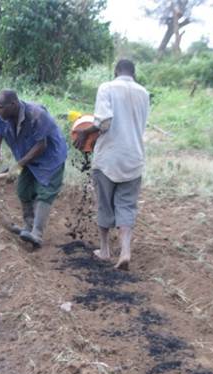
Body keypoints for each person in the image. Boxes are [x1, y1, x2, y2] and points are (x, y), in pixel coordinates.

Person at [73, 59, 149, 270]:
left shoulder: (107, 88)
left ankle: (105, 250)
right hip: (133, 157)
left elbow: (103, 123)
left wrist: (85, 132)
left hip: (109, 157)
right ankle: (125, 251)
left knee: (105, 203)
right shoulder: (144, 93)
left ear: (116, 71)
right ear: (133, 73)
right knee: (126, 205)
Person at [0, 89, 67, 248]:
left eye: (1, 107)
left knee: (45, 193)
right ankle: (28, 227)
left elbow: (41, 145)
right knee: (24, 190)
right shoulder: (1, 119)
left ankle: (37, 234)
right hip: (27, 158)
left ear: (14, 104)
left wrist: (19, 165)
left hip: (50, 158)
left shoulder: (37, 115)